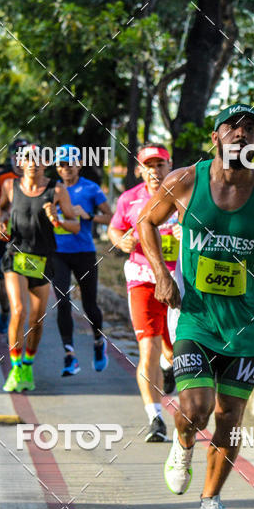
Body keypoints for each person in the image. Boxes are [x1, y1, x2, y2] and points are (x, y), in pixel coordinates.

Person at [138, 104, 254, 509]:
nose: (242, 134)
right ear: (216, 138)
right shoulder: (186, 180)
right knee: (197, 407)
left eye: (251, 129)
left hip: (245, 323)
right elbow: (145, 225)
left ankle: (211, 501)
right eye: (232, 127)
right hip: (194, 314)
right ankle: (183, 440)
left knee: (230, 416)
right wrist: (161, 275)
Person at [108, 144, 179, 442]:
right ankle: (156, 419)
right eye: (148, 166)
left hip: (177, 280)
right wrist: (120, 241)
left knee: (177, 350)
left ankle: (168, 365)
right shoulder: (129, 199)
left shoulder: (182, 195)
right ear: (139, 169)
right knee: (147, 349)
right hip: (141, 279)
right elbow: (114, 229)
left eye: (160, 165)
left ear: (169, 165)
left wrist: (184, 233)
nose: (155, 171)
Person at [0, 144, 79, 393]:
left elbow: (74, 225)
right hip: (15, 257)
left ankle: (28, 364)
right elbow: (1, 206)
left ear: (46, 163)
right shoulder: (10, 186)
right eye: (27, 159)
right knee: (18, 310)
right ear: (20, 163)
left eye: (37, 159)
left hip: (43, 259)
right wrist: (0, 222)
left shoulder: (57, 190)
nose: (32, 163)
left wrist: (57, 218)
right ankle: (16, 367)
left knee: (37, 319)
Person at [52, 144, 112, 375]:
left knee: (89, 304)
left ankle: (98, 341)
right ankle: (70, 354)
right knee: (61, 301)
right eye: (62, 164)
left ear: (79, 165)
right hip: (58, 253)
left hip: (84, 253)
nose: (66, 168)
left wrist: (89, 216)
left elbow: (110, 217)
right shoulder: (53, 190)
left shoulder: (91, 189)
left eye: (71, 163)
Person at [0, 139, 26, 333]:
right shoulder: (1, 178)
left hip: (28, 238)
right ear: (11, 157)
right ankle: (5, 310)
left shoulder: (35, 177)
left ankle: (20, 316)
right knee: (3, 282)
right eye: (17, 154)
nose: (21, 159)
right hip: (4, 237)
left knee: (25, 281)